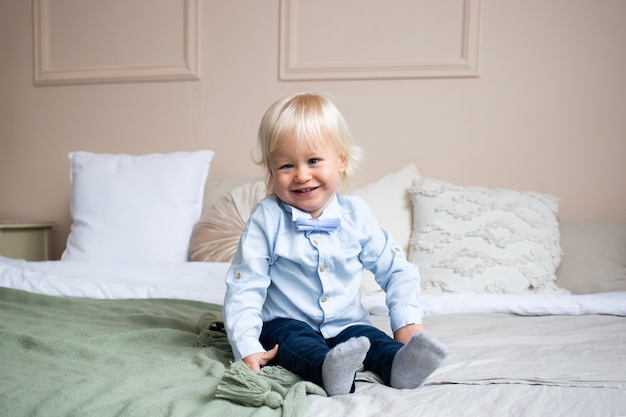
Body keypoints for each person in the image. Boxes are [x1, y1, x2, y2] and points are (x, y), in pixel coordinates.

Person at [223, 92, 448, 396]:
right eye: (287, 166)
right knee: (291, 342)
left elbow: (396, 270)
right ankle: (326, 369)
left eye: (313, 160)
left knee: (370, 339)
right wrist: (246, 345)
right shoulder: (268, 218)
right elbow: (245, 285)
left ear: (341, 160)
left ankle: (399, 365)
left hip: (347, 323)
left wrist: (406, 322)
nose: (302, 175)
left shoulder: (356, 216)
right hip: (286, 322)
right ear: (271, 171)